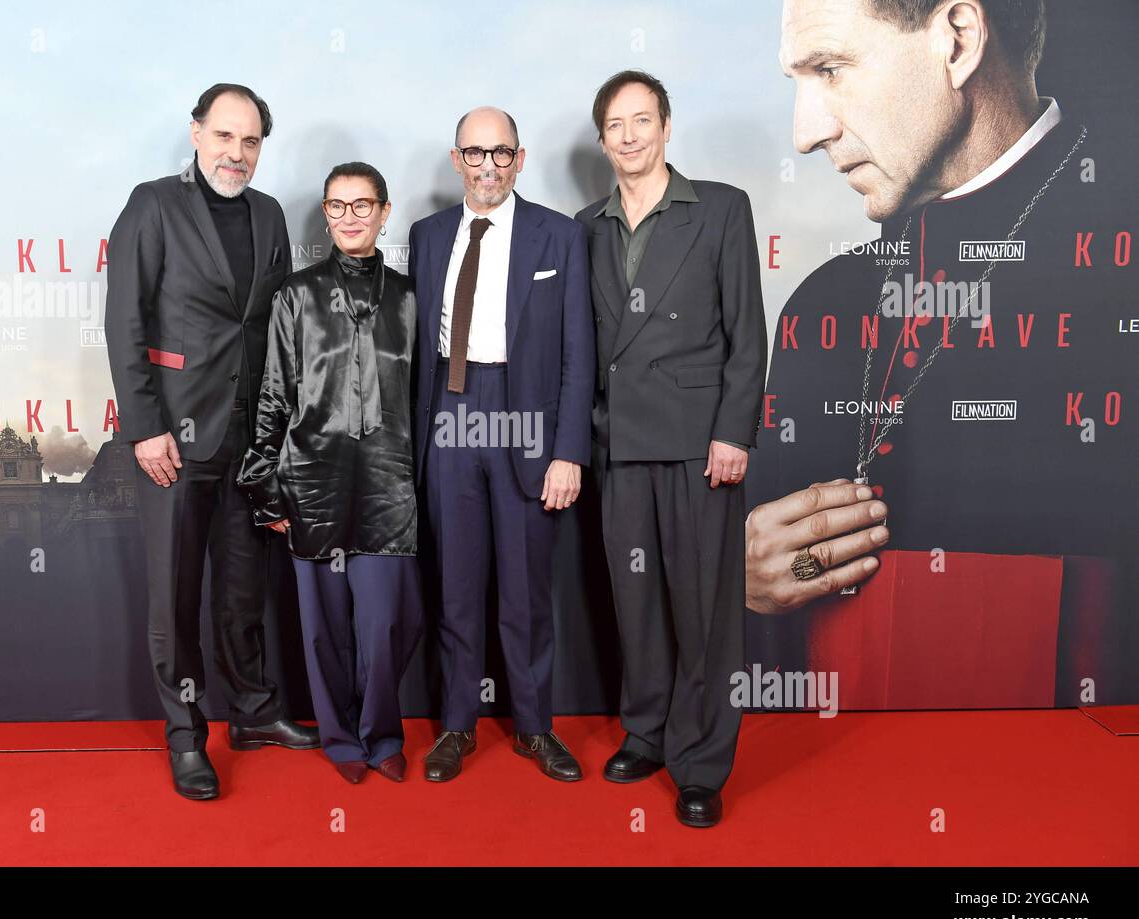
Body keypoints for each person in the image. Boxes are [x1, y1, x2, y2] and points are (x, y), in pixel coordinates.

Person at [747, 0, 1137, 707]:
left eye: (830, 68)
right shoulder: (826, 301)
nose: (805, 134)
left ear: (958, 40)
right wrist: (746, 576)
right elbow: (770, 582)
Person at [105, 83, 319, 801]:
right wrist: (144, 428)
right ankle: (186, 736)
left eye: (251, 141)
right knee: (175, 597)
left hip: (250, 441)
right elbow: (125, 322)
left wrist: (280, 433)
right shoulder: (153, 204)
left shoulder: (269, 214)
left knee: (242, 589)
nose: (237, 152)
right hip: (174, 437)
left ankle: (255, 713)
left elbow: (279, 329)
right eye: (225, 136)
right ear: (196, 134)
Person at [576, 71, 768, 827]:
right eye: (615, 125)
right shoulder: (585, 225)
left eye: (641, 119)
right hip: (619, 442)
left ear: (665, 126)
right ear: (601, 139)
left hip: (697, 444)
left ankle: (701, 760)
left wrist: (733, 431)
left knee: (704, 610)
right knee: (638, 604)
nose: (628, 135)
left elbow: (747, 332)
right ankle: (648, 733)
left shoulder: (719, 208)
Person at [408, 107, 596, 783]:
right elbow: (415, 354)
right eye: (475, 152)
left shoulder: (560, 236)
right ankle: (457, 726)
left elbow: (580, 352)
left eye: (501, 153)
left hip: (525, 419)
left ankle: (534, 727)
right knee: (455, 587)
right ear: (456, 159)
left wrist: (569, 450)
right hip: (449, 417)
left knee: (524, 592)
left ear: (520, 158)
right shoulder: (427, 236)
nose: (488, 165)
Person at [237, 163, 423, 784]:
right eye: (337, 206)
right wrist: (267, 485)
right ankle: (341, 741)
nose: (349, 216)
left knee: (384, 623)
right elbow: (273, 396)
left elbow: (422, 397)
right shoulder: (295, 294)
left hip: (388, 482)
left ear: (384, 211)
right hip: (311, 477)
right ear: (325, 213)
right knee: (321, 626)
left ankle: (383, 733)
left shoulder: (408, 296)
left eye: (362, 205)